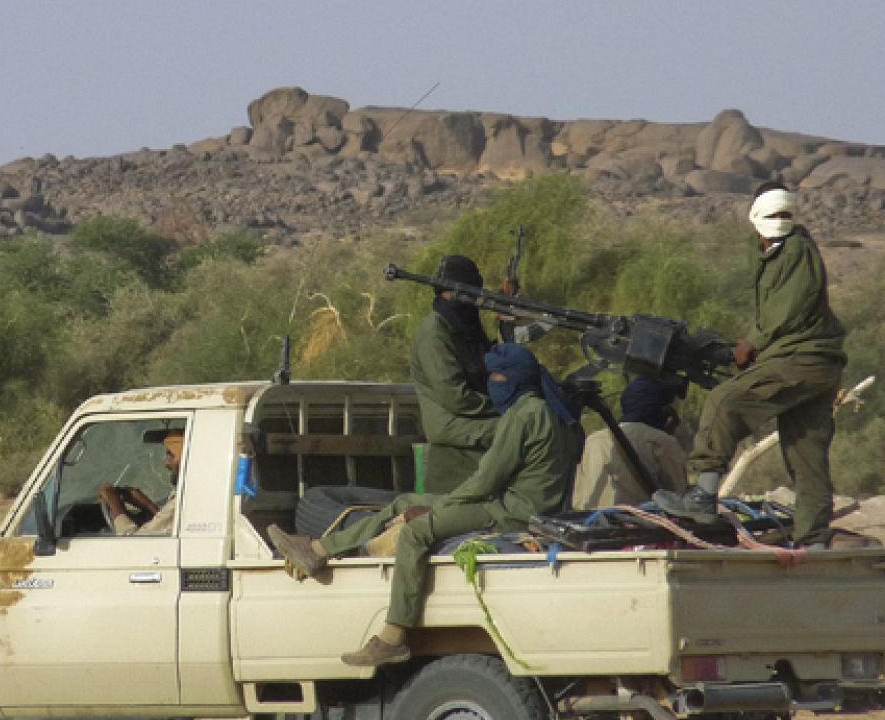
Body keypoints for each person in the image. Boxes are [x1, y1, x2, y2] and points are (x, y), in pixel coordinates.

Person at [267, 344, 580, 668]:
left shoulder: (524, 416)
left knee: (415, 532)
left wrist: (446, 505)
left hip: (510, 513)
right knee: (403, 502)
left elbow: (487, 480)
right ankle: (318, 550)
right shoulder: (556, 413)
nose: (494, 383)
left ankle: (393, 637)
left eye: (499, 376)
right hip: (520, 507)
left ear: (516, 379)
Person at [654, 182, 846, 548]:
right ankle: (814, 541)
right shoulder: (782, 251)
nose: (779, 220)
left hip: (800, 358)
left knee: (724, 401)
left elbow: (784, 312)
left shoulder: (794, 251)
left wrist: (751, 344)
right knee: (807, 457)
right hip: (819, 364)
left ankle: (703, 497)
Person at [411, 255, 497, 493]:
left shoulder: (464, 328)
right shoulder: (435, 333)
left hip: (471, 416)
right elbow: (455, 397)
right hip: (451, 422)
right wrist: (504, 407)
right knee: (523, 428)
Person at [572, 377, 689, 509]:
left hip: (591, 522)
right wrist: (668, 432)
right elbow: (679, 495)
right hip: (640, 523)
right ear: (664, 410)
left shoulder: (594, 439)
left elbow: (579, 496)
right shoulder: (661, 441)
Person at [98, 430, 183, 536]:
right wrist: (147, 505)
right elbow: (165, 526)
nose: (166, 463)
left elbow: (132, 541)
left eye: (171, 455)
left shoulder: (184, 499)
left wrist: (114, 503)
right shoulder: (185, 497)